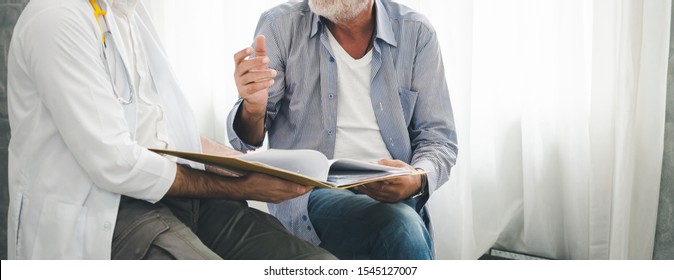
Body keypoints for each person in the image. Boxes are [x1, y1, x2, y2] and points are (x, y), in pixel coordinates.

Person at [6, 0, 335, 260]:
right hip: (108, 212)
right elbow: (116, 164)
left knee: (320, 267)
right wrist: (242, 187)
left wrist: (250, 167)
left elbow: (165, 130)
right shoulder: (57, 17)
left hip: (181, 200)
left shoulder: (128, 15)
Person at [229, 0, 457, 259]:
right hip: (311, 191)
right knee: (399, 226)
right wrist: (253, 107)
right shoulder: (280, 25)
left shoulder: (416, 32)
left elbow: (438, 138)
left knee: (402, 221)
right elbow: (246, 144)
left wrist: (416, 178)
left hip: (393, 189)